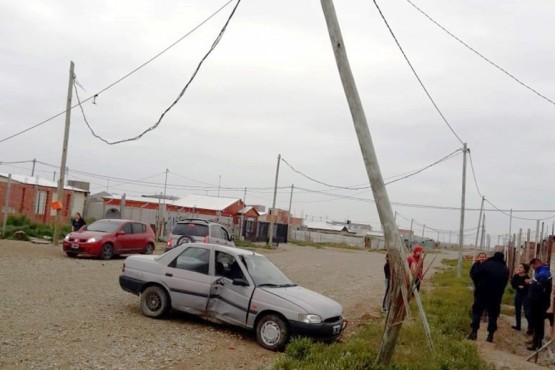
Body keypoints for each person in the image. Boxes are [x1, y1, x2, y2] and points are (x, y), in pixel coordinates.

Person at [467, 252, 510, 343]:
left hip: (481, 293)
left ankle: (474, 332)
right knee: (493, 315)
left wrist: (478, 284)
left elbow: (474, 275)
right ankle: (490, 335)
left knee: (477, 312)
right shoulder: (505, 269)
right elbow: (504, 284)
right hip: (495, 296)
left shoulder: (486, 264)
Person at [525, 258, 552, 351]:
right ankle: (538, 343)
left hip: (539, 302)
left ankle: (537, 344)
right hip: (538, 301)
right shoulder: (540, 272)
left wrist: (532, 283)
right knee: (538, 323)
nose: (533, 268)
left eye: (533, 266)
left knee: (538, 323)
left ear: (535, 264)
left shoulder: (543, 273)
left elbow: (540, 286)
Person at [510, 263, 531, 333]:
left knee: (527, 311)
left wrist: (524, 287)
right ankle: (518, 326)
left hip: (525, 295)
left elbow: (528, 287)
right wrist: (518, 286)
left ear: (525, 269)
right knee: (517, 310)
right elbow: (513, 284)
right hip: (518, 294)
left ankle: (530, 328)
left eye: (521, 267)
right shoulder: (516, 276)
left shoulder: (527, 277)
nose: (519, 269)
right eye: (519, 267)